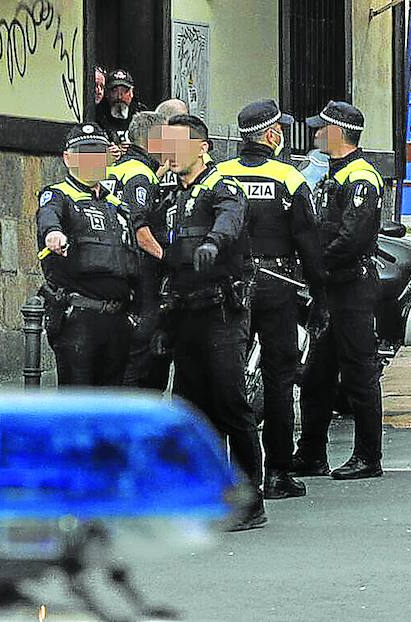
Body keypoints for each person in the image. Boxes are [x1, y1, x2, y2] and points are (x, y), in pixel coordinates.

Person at [151, 114, 267, 530]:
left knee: (230, 402)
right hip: (185, 313)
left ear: (201, 147)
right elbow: (141, 223)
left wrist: (213, 244)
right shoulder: (170, 193)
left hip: (221, 311)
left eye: (178, 145)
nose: (171, 153)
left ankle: (250, 500)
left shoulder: (222, 187)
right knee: (190, 407)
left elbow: (229, 219)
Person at [216, 99, 328, 500]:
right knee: (279, 378)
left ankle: (231, 470)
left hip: (230, 284)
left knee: (227, 378)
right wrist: (319, 293)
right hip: (277, 283)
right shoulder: (289, 178)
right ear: (273, 135)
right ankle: (279, 472)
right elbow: (308, 241)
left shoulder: (220, 174)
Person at [292, 101, 387, 480]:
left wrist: (314, 264)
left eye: (320, 128)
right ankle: (312, 452)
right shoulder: (332, 173)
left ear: (337, 133)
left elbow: (352, 237)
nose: (315, 133)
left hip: (352, 287)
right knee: (317, 374)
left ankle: (368, 456)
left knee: (359, 373)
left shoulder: (361, 177)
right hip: (330, 288)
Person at [36, 124, 135, 387]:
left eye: (99, 153)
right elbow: (49, 216)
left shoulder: (116, 205)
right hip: (79, 318)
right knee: (77, 404)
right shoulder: (58, 195)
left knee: (110, 407)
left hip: (117, 319)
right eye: (84, 153)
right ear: (68, 158)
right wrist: (53, 234)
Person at [108, 111, 169, 390]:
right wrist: (167, 259)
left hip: (111, 267)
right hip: (139, 272)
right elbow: (139, 227)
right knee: (141, 351)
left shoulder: (113, 169)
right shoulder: (140, 175)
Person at [96, 68, 148, 139]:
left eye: (124, 91)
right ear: (107, 94)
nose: (119, 97)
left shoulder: (142, 116)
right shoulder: (97, 115)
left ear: (131, 93)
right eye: (115, 91)